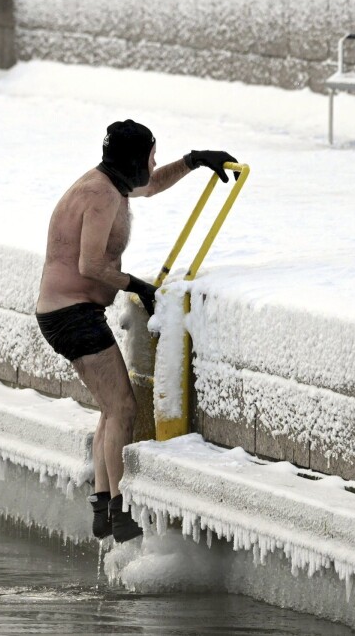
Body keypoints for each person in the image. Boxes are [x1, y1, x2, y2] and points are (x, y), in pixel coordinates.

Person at [35, 120, 237, 542]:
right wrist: (137, 286)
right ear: (133, 159)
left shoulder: (112, 184)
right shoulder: (99, 195)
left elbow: (152, 184)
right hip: (71, 314)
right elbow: (89, 267)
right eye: (151, 155)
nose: (155, 163)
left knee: (111, 409)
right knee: (123, 408)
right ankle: (119, 509)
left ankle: (103, 506)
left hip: (73, 312)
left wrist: (195, 161)